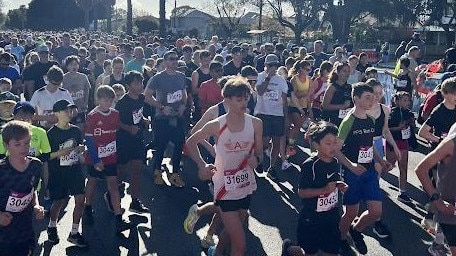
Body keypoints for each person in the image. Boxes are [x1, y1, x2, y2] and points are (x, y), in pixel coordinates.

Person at [186, 76, 263, 256]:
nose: (244, 102)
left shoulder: (256, 123)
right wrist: (202, 165)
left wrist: (257, 160)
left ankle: (217, 251)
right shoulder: (217, 124)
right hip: (224, 185)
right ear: (226, 100)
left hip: (245, 183)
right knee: (240, 244)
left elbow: (259, 153)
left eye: (246, 98)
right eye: (239, 99)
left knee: (238, 221)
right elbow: (191, 142)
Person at [336, 82, 392, 256]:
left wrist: (381, 161)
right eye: (368, 97)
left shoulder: (371, 119)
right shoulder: (348, 122)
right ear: (356, 99)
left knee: (376, 212)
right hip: (352, 173)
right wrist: (350, 165)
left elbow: (369, 145)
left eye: (373, 97)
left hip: (369, 171)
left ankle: (356, 230)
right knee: (351, 212)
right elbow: (335, 150)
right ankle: (341, 238)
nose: (372, 100)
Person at [282, 121, 349, 256]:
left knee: (331, 251)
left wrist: (339, 185)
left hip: (331, 215)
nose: (333, 147)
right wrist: (323, 190)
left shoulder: (335, 162)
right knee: (308, 252)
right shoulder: (310, 165)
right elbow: (302, 192)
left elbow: (332, 181)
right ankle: (289, 249)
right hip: (311, 218)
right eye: (328, 143)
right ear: (316, 145)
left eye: (335, 142)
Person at [83, 85, 132, 233]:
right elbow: (90, 140)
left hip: (110, 156)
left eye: (111, 100)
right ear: (98, 100)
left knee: (113, 184)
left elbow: (114, 133)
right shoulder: (92, 116)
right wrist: (96, 159)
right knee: (92, 181)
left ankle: (118, 218)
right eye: (105, 100)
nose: (108, 103)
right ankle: (87, 207)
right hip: (94, 158)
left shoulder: (115, 114)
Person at [0, 120, 45, 256]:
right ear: (6, 145)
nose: (23, 148)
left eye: (27, 143)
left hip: (24, 228)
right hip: (3, 232)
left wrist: (36, 205)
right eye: (17, 144)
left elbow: (32, 190)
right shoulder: (2, 169)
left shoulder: (35, 165)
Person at [46, 99, 87, 247]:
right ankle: (52, 226)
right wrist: (61, 152)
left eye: (71, 110)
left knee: (81, 200)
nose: (70, 113)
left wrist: (82, 150)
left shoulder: (75, 130)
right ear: (56, 113)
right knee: (58, 202)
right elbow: (45, 156)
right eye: (66, 111)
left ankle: (74, 233)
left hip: (75, 171)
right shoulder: (51, 133)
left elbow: (80, 145)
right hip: (58, 173)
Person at [415, 134, 456, 256]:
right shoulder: (451, 143)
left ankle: (437, 246)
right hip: (451, 215)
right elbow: (421, 169)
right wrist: (438, 201)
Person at [115, 71, 150, 212]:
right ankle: (113, 195)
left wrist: (144, 120)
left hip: (138, 139)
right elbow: (115, 122)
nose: (140, 85)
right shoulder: (122, 102)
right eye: (136, 83)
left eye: (141, 82)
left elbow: (138, 115)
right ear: (128, 85)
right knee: (121, 171)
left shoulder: (142, 98)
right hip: (123, 140)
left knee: (137, 169)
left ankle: (134, 202)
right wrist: (128, 128)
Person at [254, 54, 290, 179]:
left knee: (276, 142)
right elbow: (259, 91)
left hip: (277, 114)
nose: (273, 68)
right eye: (270, 65)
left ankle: (272, 167)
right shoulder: (260, 76)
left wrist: (286, 117)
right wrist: (268, 78)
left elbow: (284, 101)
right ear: (265, 65)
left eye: (275, 65)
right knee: (263, 143)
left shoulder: (281, 80)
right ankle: (259, 160)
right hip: (262, 113)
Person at [387, 92, 415, 203]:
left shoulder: (409, 113)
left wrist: (412, 124)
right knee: (389, 165)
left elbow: (413, 128)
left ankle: (403, 192)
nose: (407, 102)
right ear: (396, 101)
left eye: (408, 100)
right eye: (404, 100)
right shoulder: (391, 113)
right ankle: (374, 182)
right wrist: (398, 128)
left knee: (403, 167)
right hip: (392, 142)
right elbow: (386, 129)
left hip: (404, 142)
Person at [287, 60, 312, 156]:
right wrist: (305, 93)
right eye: (307, 69)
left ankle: (291, 141)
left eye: (310, 69)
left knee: (297, 127)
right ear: (301, 69)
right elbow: (295, 94)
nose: (308, 71)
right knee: (297, 125)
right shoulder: (294, 79)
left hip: (305, 106)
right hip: (294, 106)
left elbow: (309, 95)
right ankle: (290, 144)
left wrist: (309, 108)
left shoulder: (309, 79)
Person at [62, 55, 91, 130]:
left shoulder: (83, 77)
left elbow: (87, 90)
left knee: (81, 128)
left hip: (80, 107)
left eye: (75, 64)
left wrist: (85, 103)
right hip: (68, 109)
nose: (73, 66)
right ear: (67, 66)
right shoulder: (64, 78)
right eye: (71, 64)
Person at [322, 62, 353, 126]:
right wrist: (342, 106)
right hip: (333, 119)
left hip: (345, 120)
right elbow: (325, 106)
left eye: (348, 71)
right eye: (344, 71)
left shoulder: (349, 87)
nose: (347, 74)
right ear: (338, 72)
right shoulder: (332, 87)